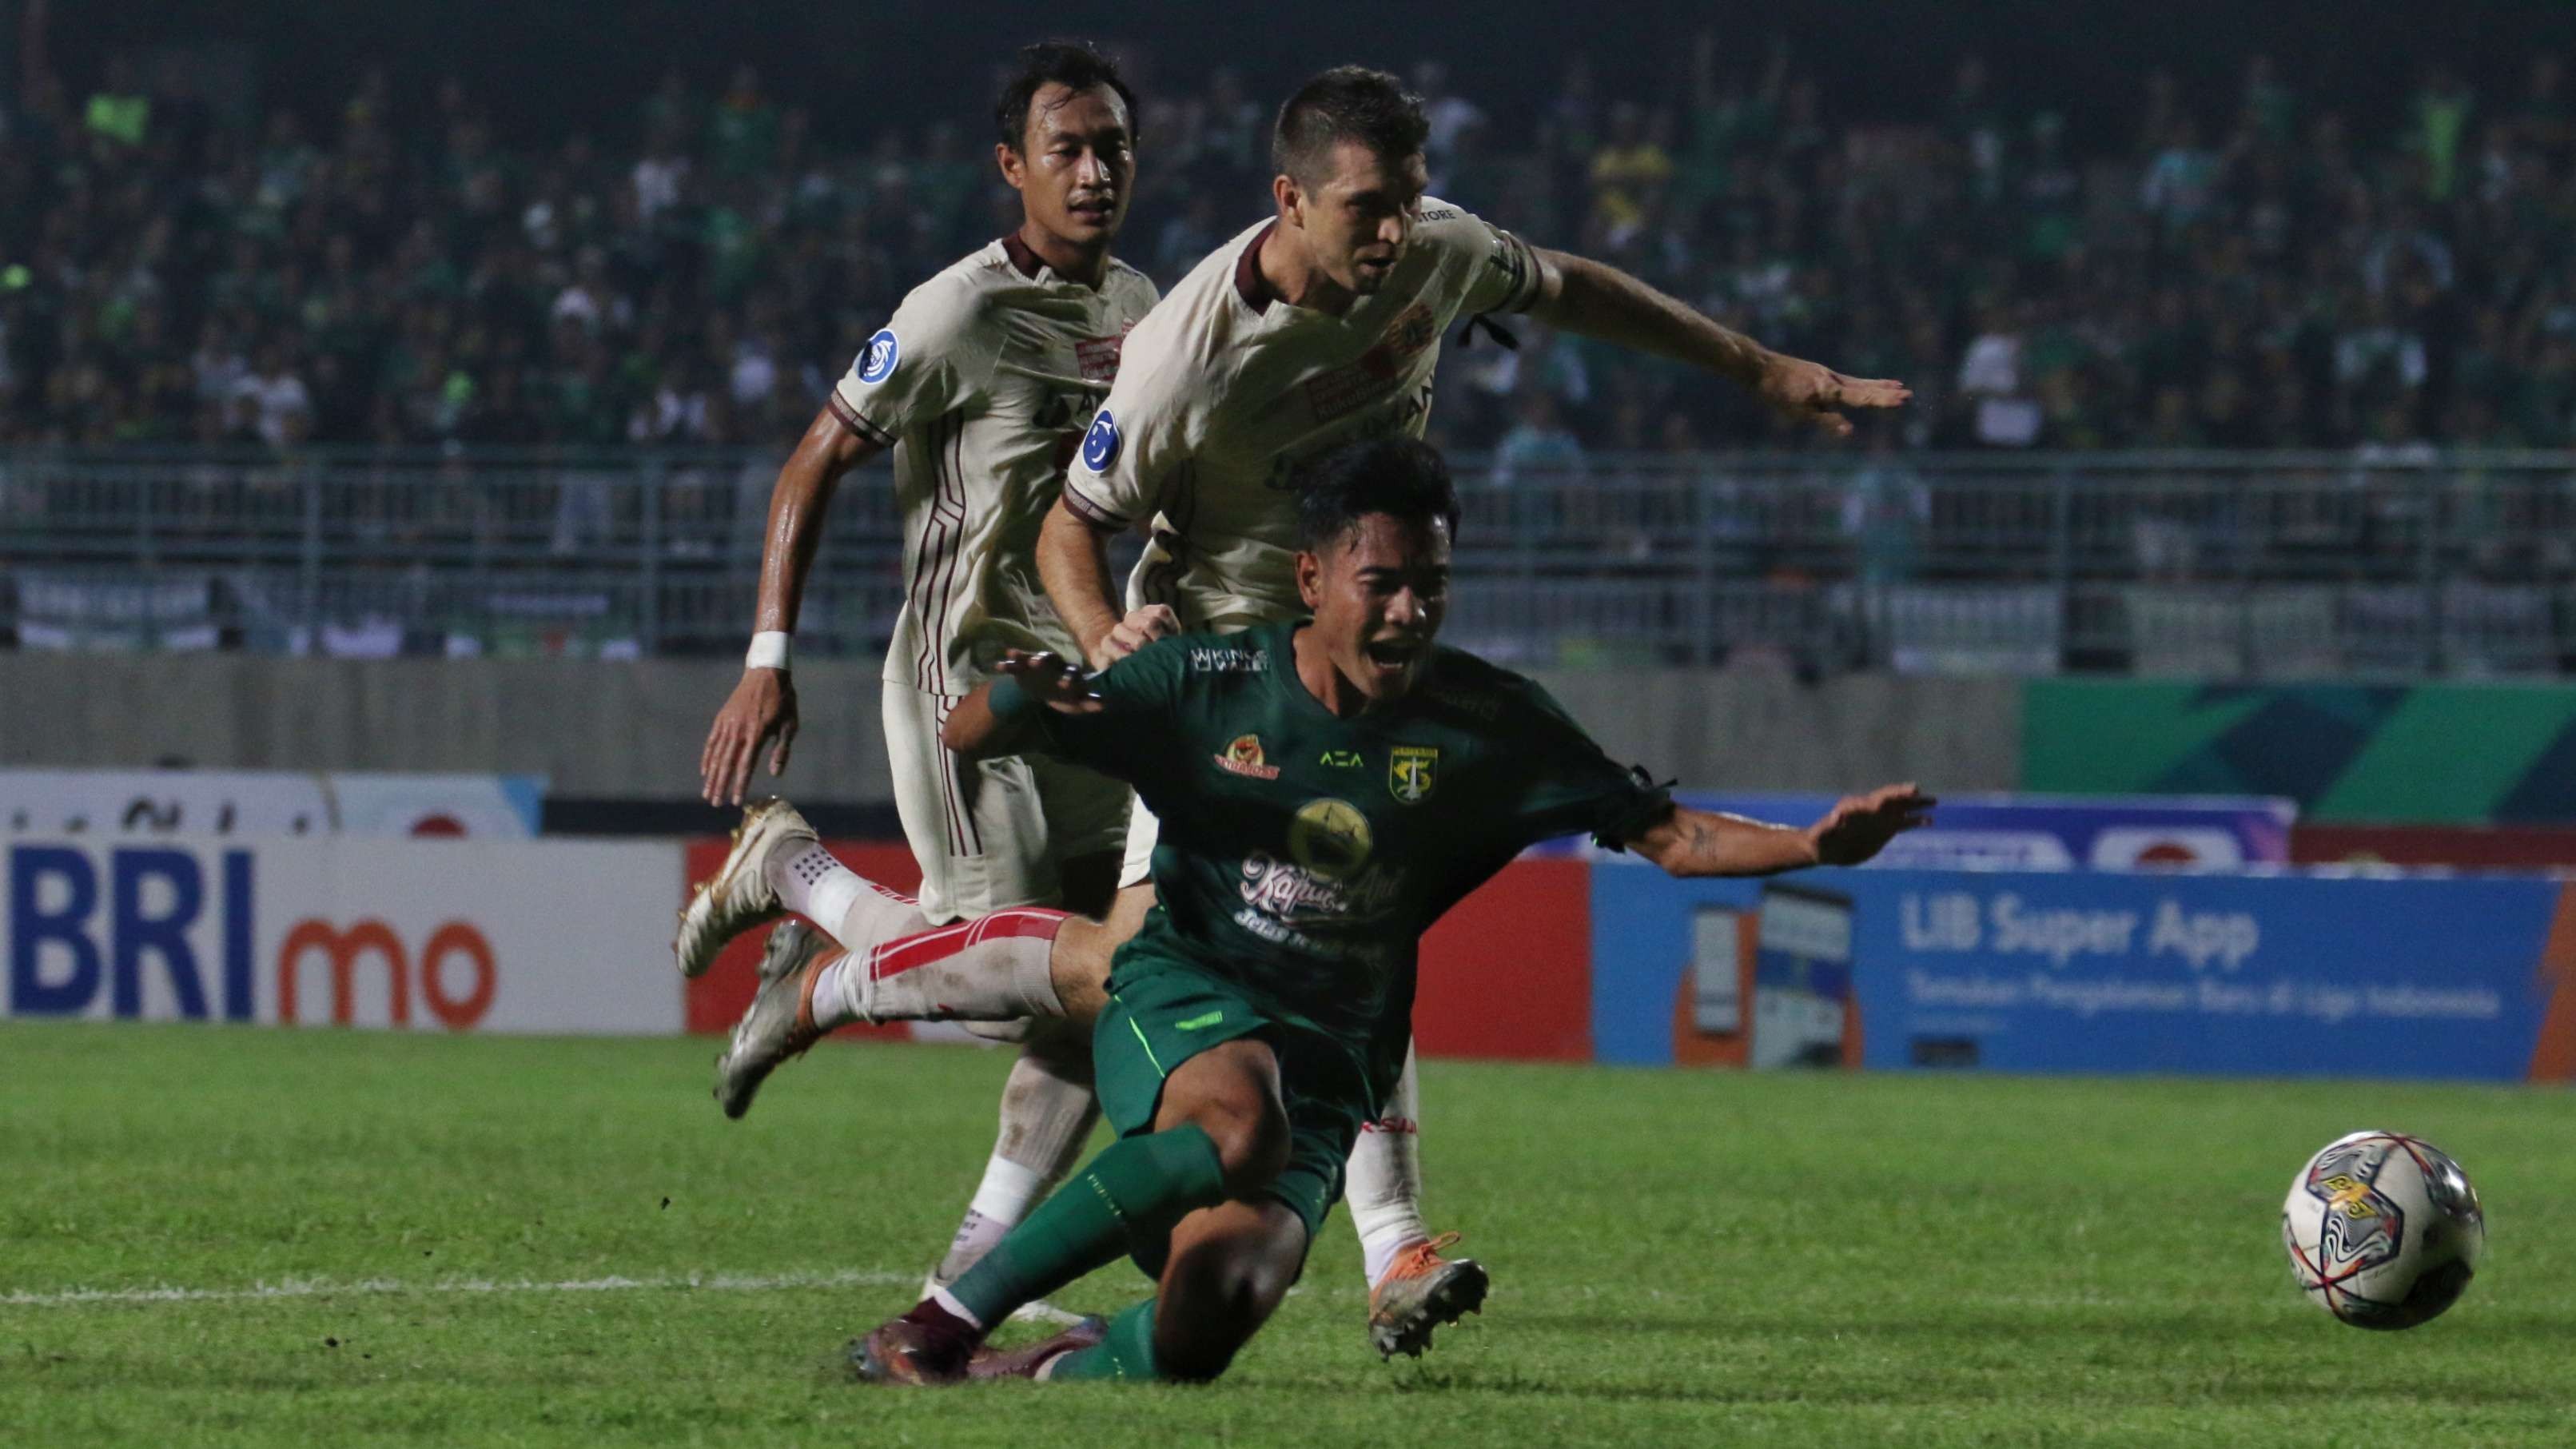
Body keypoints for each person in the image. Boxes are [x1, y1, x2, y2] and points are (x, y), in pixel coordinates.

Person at [707, 436, 1931, 1384]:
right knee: (1237, 1116)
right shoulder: (1210, 679)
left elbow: (1672, 834)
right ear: (1313, 578)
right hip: (1179, 994)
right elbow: (969, 732)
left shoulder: (1490, 724)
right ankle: (930, 1326)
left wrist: (1815, 842)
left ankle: (1033, 1371)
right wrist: (1012, 702)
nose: (1408, 611)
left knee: (1206, 1316)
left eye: (1431, 585)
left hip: (1334, 1066)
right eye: (1382, 583)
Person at [1033, 63, 1905, 1349]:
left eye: (1411, 201)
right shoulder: (1185, 356)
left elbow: (1567, 284)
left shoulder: (1433, 252)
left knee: (1352, 914)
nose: (1395, 232)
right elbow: (1070, 524)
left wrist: (1759, 366)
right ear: (1290, 200)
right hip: (1230, 683)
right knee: (1122, 966)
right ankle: (863, 942)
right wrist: (1108, 634)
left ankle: (1384, 1246)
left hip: (1364, 649)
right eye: (1367, 208)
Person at [686, 41, 1160, 1323]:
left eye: (1113, 144)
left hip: (1083, 694)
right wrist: (767, 660)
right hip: (963, 694)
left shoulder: (1148, 308)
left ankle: (965, 1275)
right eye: (1067, 147)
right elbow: (810, 463)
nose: (1094, 169)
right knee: (1015, 986)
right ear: (1014, 167)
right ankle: (798, 886)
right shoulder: (956, 309)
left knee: (1116, 966)